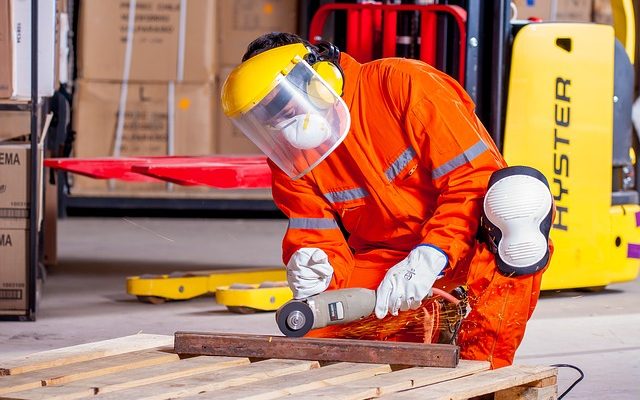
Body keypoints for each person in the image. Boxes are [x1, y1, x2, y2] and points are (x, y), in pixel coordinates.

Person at [221, 32, 554, 369]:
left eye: (282, 104)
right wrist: (312, 264)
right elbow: (313, 230)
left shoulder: (404, 85)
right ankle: (436, 316)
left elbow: (473, 181)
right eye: (266, 116)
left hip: (467, 242)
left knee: (517, 204)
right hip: (388, 262)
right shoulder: (291, 157)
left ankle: (481, 370)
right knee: (312, 330)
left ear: (319, 78)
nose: (280, 123)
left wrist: (432, 254)